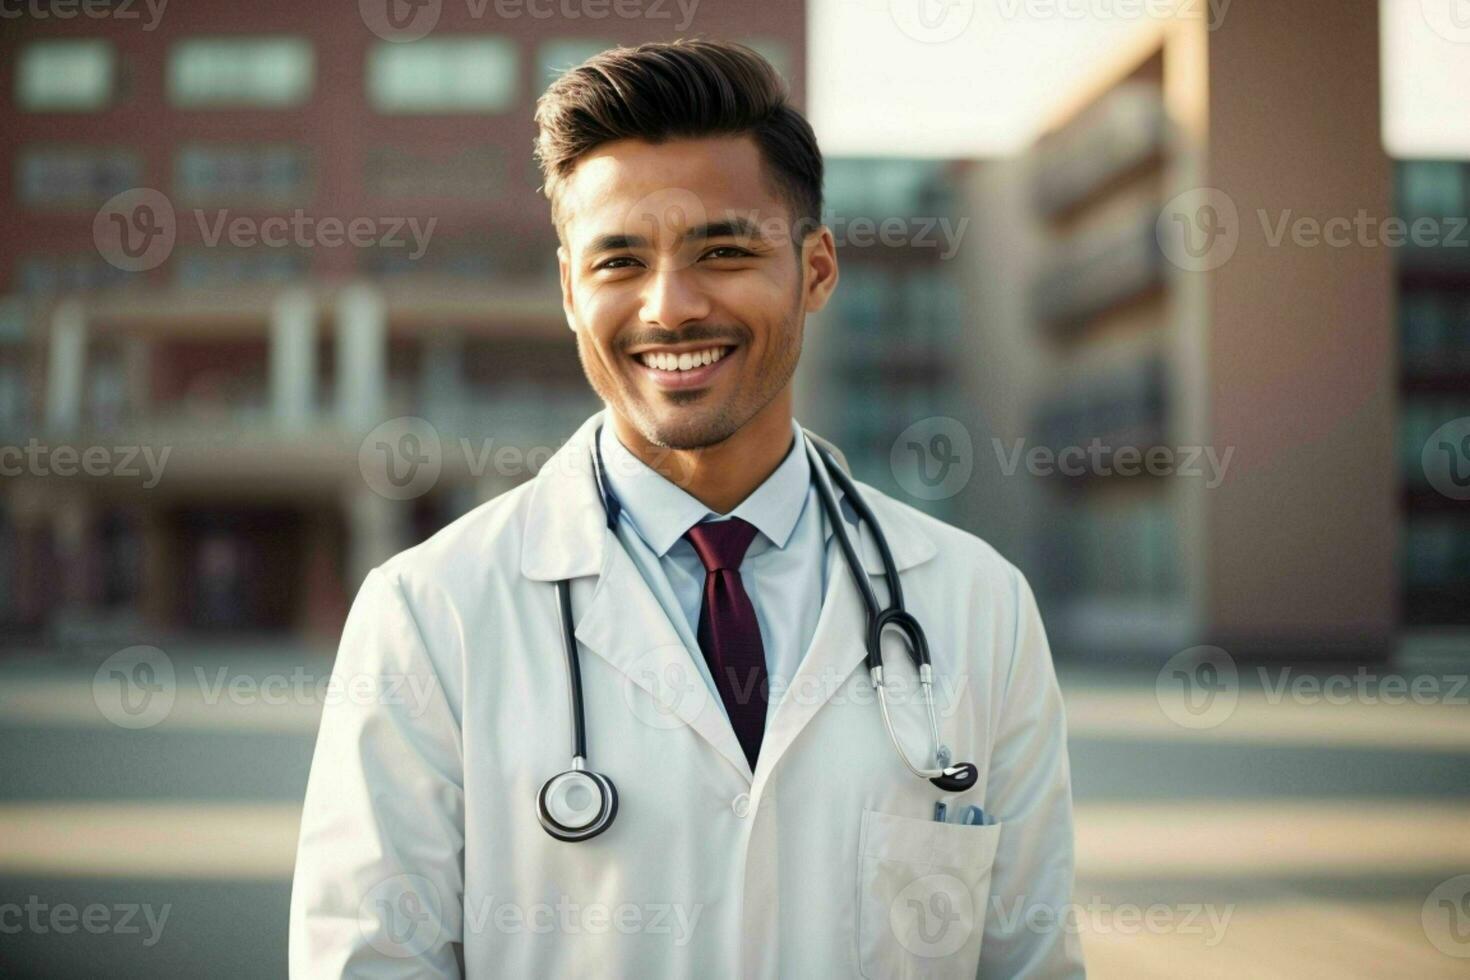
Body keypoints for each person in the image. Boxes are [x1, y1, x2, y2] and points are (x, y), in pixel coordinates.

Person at [289, 39, 1084, 979]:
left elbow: (1029, 962)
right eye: (619, 260)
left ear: (818, 268)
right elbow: (371, 963)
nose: (669, 308)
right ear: (569, 291)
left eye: (724, 250)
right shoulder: (430, 613)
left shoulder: (977, 606)